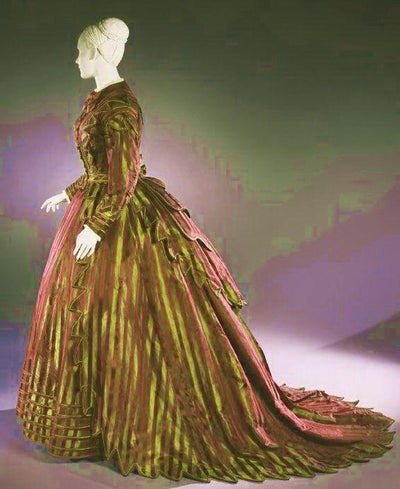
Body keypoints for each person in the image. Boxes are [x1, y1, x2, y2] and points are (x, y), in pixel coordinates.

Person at [16, 17, 396, 482]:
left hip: (117, 217)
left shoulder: (121, 106)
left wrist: (96, 226)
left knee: (133, 317)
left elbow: (125, 173)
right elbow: (101, 165)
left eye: (80, 52)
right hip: (96, 204)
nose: (76, 59)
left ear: (97, 53)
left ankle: (143, 418)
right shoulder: (99, 100)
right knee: (91, 315)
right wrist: (69, 190)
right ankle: (95, 421)